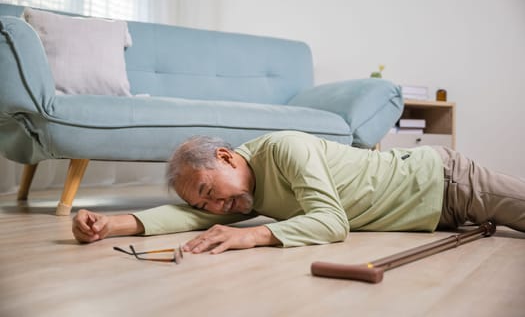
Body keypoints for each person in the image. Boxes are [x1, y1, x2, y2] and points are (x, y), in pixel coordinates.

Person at [72, 131, 525, 254]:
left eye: (210, 191)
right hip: (436, 214)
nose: (215, 208)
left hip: (448, 182)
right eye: (204, 202)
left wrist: (252, 236)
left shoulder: (284, 149)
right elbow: (189, 218)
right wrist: (109, 225)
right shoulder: (238, 194)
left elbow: (332, 222)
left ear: (228, 158)